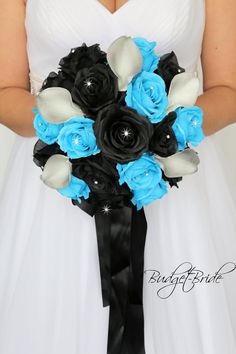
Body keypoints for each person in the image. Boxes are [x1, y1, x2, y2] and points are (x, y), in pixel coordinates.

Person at [0, 0, 236, 353]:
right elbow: (6, 93)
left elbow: (228, 91)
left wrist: (150, 131)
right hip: (56, 193)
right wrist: (91, 128)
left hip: (173, 191)